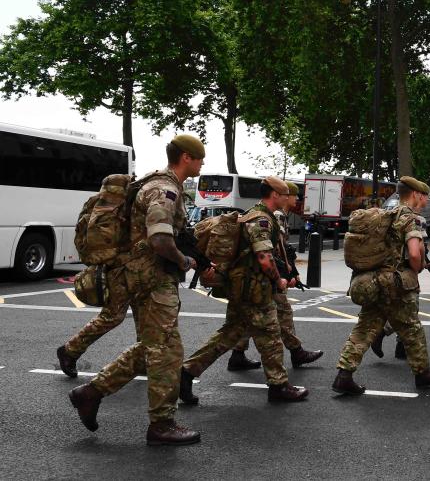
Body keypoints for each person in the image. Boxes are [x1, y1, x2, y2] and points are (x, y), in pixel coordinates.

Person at [68, 134, 204, 445]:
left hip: (139, 276)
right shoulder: (165, 190)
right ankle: (160, 424)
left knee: (154, 347)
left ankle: (91, 393)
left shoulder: (152, 183)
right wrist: (184, 261)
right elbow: (159, 239)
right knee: (166, 350)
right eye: (199, 158)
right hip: (152, 279)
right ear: (186, 158)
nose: (201, 163)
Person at [179, 177, 308, 405]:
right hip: (254, 289)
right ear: (275, 195)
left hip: (242, 287)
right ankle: (278, 386)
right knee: (270, 337)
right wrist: (278, 281)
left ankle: (187, 372)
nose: (288, 198)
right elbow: (264, 259)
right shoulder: (261, 221)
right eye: (285, 194)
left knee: (229, 334)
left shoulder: (254, 214)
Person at [332, 177, 430, 394]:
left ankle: (343, 375)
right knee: (411, 328)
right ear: (415, 194)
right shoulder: (410, 218)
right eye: (424, 196)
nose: (425, 200)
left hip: (374, 282)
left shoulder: (387, 214)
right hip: (396, 284)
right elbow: (414, 252)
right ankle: (422, 374)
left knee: (364, 328)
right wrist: (418, 267)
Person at [228, 180, 322, 371]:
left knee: (244, 320)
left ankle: (237, 355)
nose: (295, 199)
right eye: (293, 196)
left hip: (260, 276)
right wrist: (283, 276)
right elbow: (273, 253)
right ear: (280, 196)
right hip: (265, 276)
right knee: (282, 313)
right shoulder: (275, 216)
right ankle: (296, 353)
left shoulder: (276, 215)